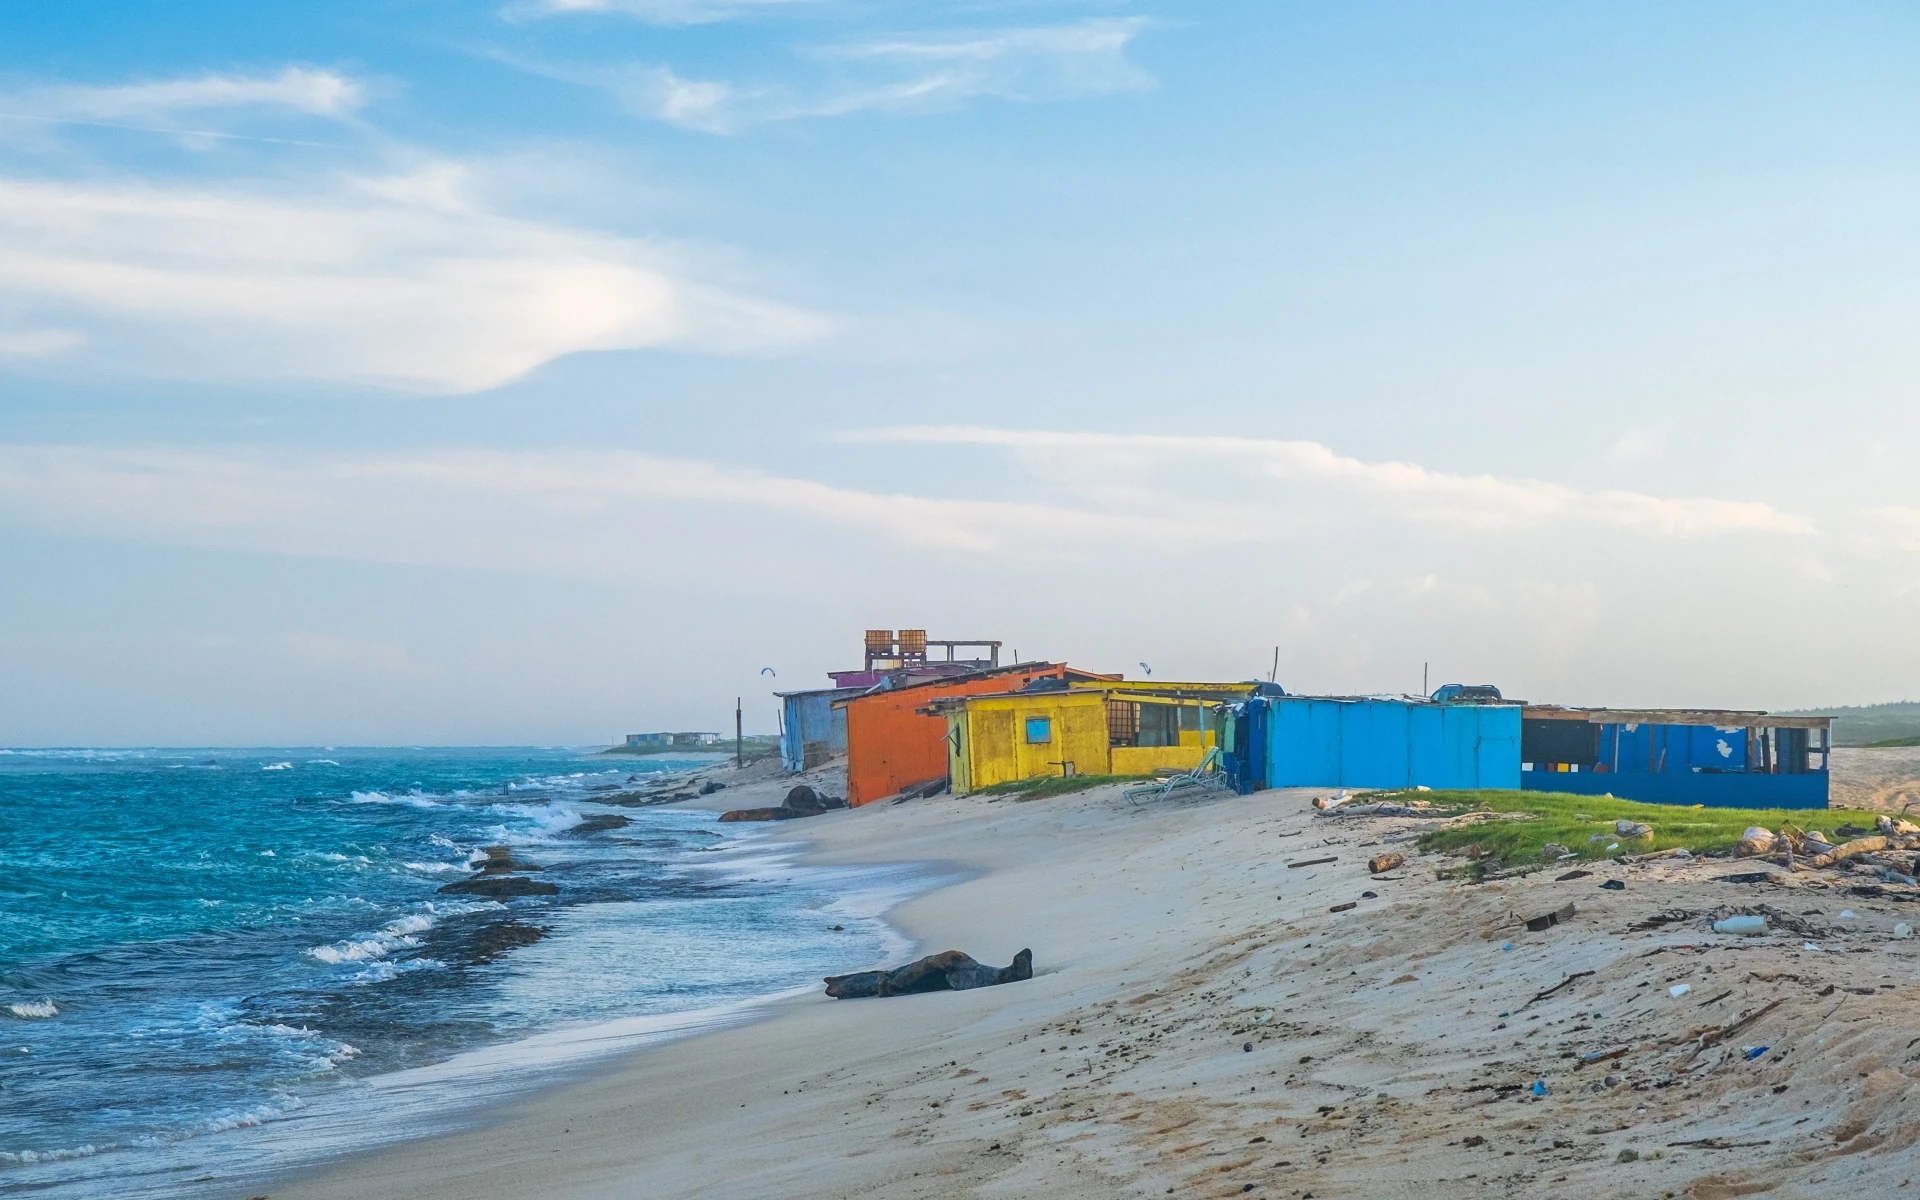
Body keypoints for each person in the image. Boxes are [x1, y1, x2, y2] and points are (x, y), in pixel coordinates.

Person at [823, 948, 1033, 999]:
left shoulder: (867, 979)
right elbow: (891, 984)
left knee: (961, 969)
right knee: (958, 970)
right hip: (907, 981)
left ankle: (1008, 974)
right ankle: (1008, 975)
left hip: (933, 978)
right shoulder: (872, 982)